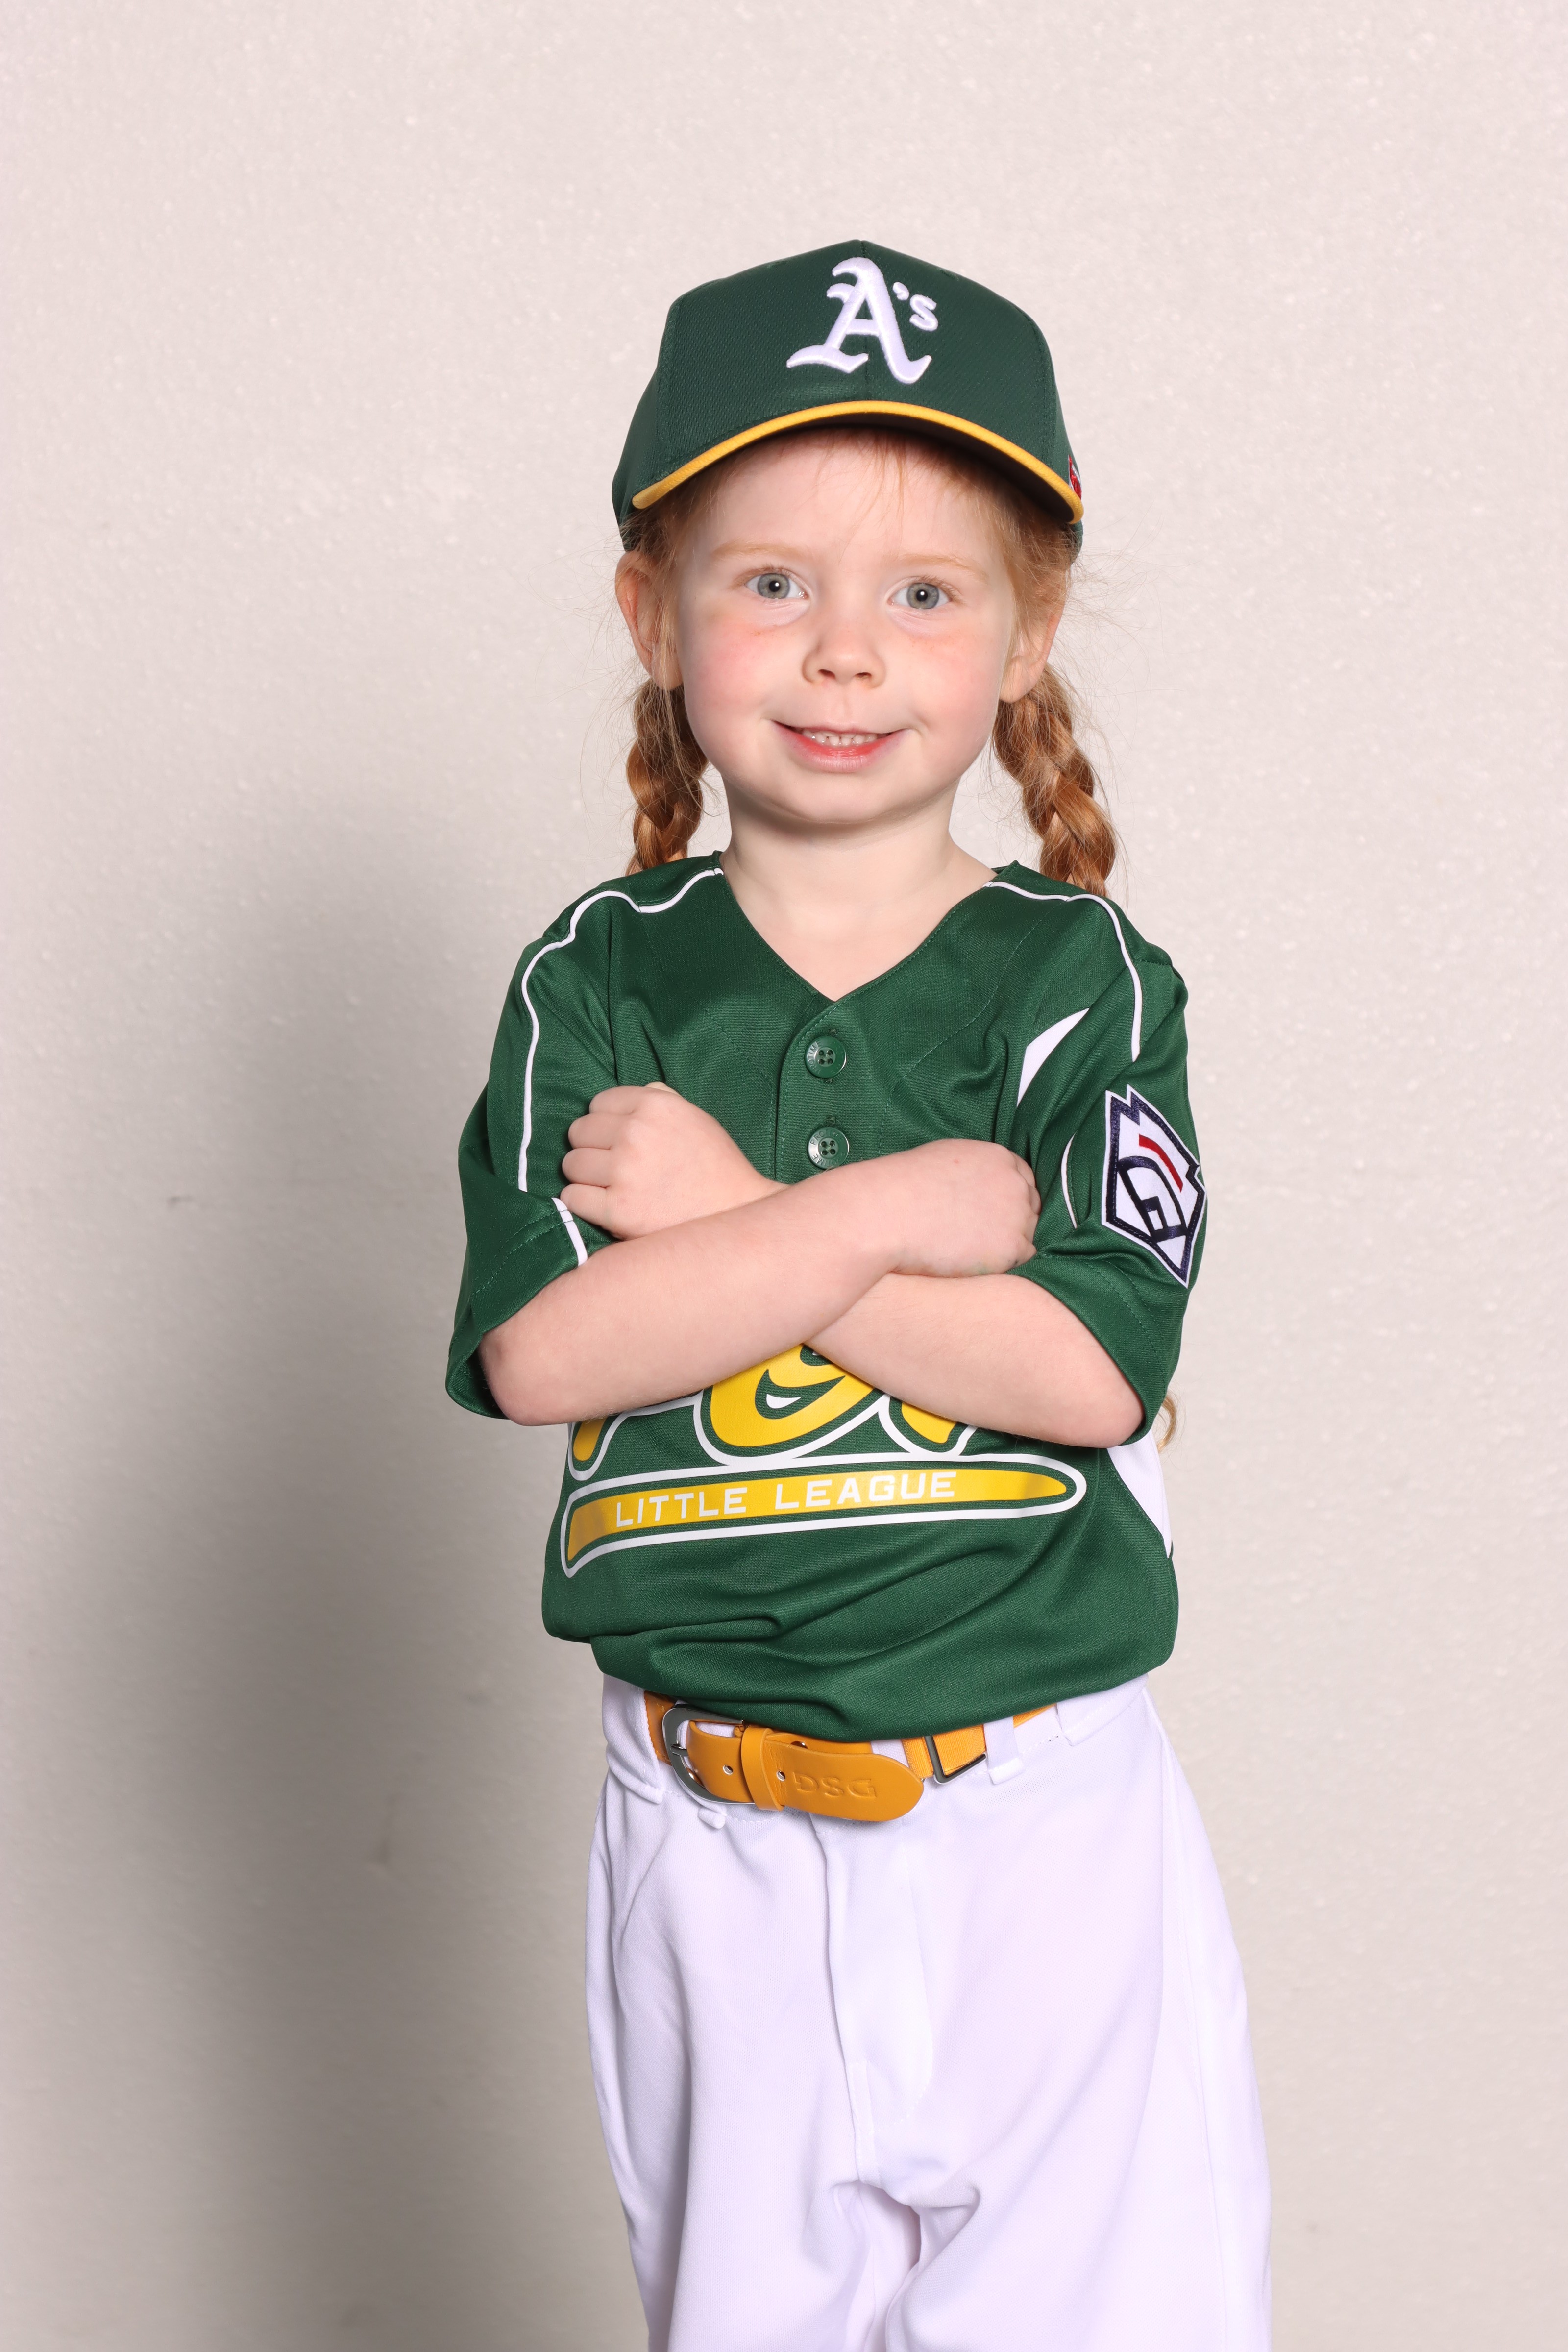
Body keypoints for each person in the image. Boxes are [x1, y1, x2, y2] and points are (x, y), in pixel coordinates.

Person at [447, 241, 1271, 2351]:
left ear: (1024, 635)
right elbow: (545, 1351)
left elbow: (1083, 1372)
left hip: (1037, 1833)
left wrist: (719, 1236)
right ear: (651, 615)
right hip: (705, 1835)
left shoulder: (1076, 978)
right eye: (769, 581)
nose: (843, 649)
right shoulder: (597, 978)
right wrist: (871, 1211)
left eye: (921, 590)